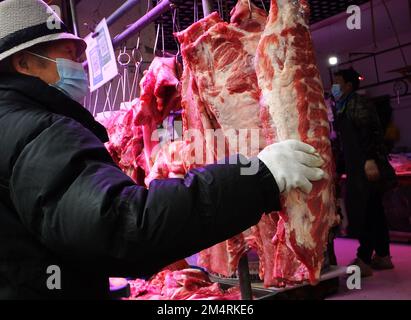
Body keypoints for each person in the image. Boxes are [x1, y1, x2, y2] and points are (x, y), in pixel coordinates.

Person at [0, 0, 325, 299]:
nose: (78, 65)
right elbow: (122, 227)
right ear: (24, 62)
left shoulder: (14, 126)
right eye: (69, 55)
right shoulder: (36, 131)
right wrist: (258, 180)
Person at [332, 68, 395, 277]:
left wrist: (369, 160)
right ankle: (383, 256)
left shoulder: (357, 103)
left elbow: (369, 131)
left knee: (366, 212)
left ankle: (364, 259)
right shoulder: (344, 105)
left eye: (337, 82)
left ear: (349, 85)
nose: (334, 86)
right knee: (375, 211)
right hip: (356, 167)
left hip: (365, 166)